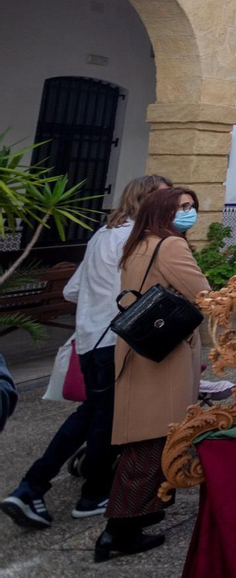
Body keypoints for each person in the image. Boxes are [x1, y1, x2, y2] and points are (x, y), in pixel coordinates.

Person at [3, 174, 168, 531]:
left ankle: (32, 487)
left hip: (90, 338)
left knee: (91, 415)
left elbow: (72, 291)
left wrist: (97, 303)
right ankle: (90, 495)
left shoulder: (103, 235)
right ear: (143, 200)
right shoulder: (137, 240)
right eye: (164, 199)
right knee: (107, 420)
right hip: (117, 341)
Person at [98, 187, 210, 562]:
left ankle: (139, 515)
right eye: (182, 207)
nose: (189, 212)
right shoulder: (171, 245)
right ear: (162, 212)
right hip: (164, 354)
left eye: (192, 206)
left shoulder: (138, 243)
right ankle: (118, 531)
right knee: (153, 441)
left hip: (140, 348)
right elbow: (203, 294)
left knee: (144, 438)